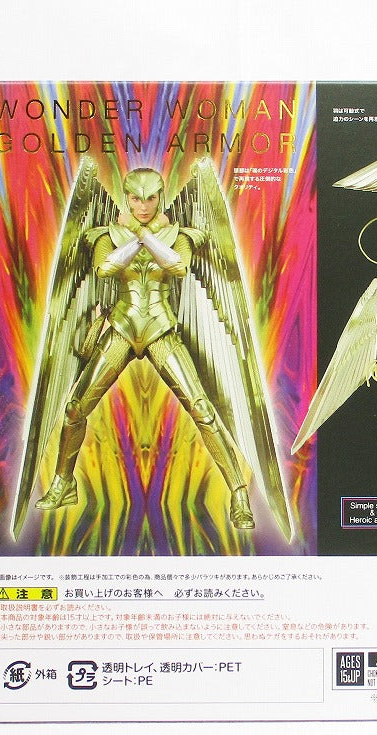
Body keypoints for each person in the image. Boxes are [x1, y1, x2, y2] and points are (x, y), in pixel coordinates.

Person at [35, 167, 255, 529]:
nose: (143, 205)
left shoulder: (179, 235)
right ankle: (64, 482)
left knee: (202, 409)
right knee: (75, 408)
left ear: (160, 197)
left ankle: (239, 493)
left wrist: (143, 234)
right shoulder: (105, 235)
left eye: (150, 198)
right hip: (122, 327)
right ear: (126, 198)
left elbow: (178, 267)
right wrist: (140, 235)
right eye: (136, 199)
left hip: (160, 329)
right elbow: (104, 269)